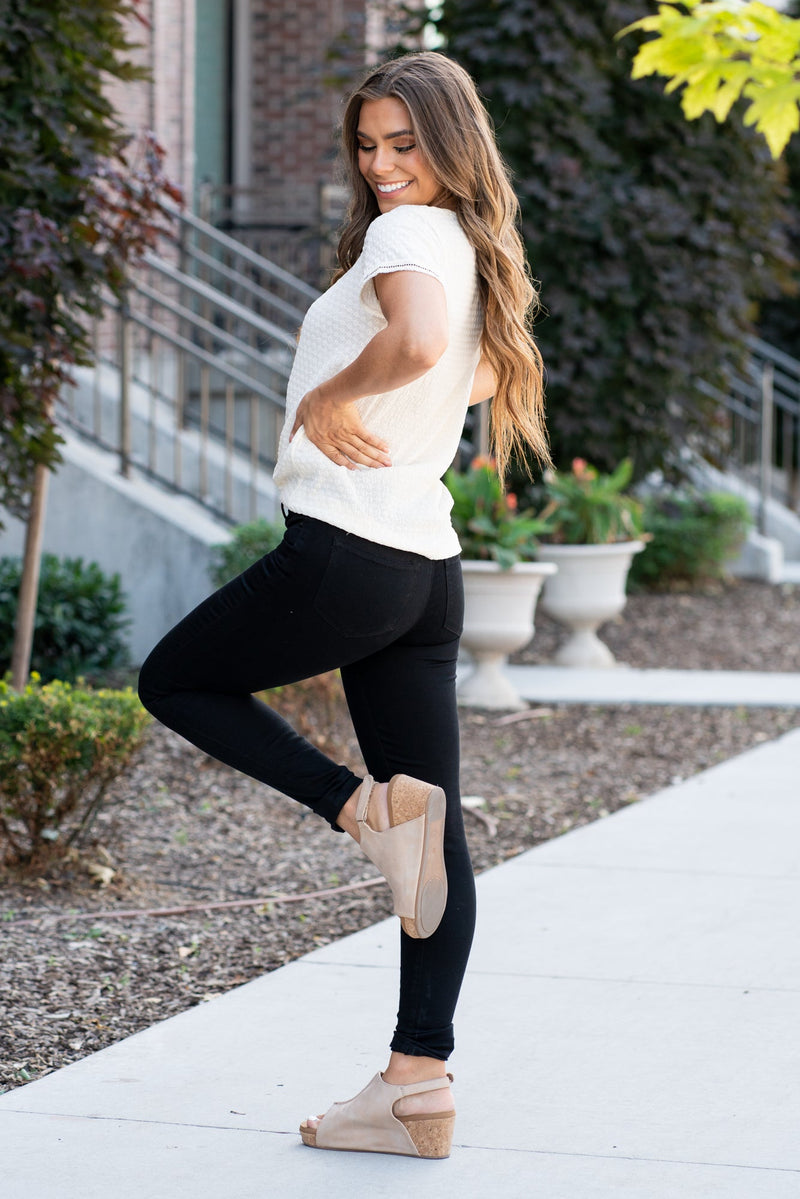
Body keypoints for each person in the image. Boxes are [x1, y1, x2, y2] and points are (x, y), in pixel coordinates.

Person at [138, 50, 548, 1160]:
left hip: (349, 550)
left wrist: (332, 392)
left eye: (404, 144)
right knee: (434, 838)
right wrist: (392, 394)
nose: (381, 166)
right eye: (367, 146)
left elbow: (416, 347)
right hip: (424, 567)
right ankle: (416, 1082)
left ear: (451, 143)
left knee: (174, 679)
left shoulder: (406, 238)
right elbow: (469, 372)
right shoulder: (467, 247)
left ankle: (351, 806)